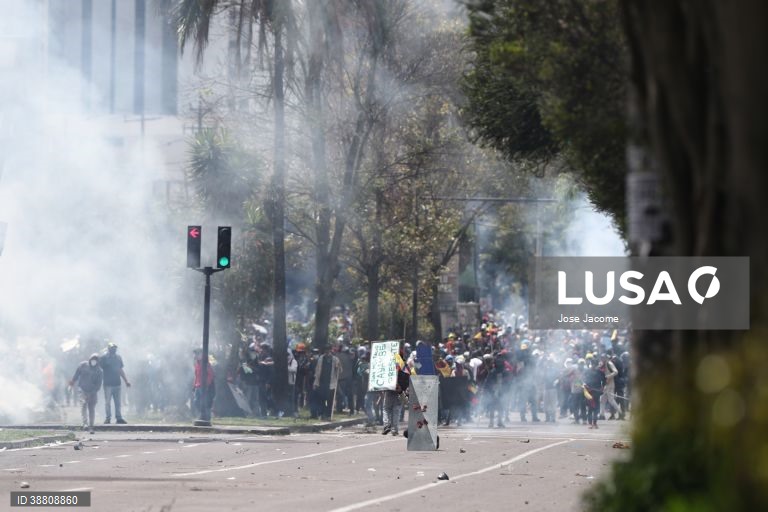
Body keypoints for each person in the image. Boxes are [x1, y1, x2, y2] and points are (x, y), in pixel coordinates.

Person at [70, 353, 103, 433]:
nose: (93, 361)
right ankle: (85, 424)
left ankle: (91, 426)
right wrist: (71, 384)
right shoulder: (82, 365)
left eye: (95, 360)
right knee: (83, 405)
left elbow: (98, 384)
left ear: (98, 361)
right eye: (92, 359)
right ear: (90, 359)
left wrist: (93, 393)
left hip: (93, 392)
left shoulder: (99, 371)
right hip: (82, 390)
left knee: (91, 408)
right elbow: (76, 375)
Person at [100, 342, 131, 424]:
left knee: (118, 402)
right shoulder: (103, 358)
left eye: (115, 348)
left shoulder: (118, 358)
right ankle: (108, 418)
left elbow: (120, 370)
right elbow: (99, 370)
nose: (114, 349)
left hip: (117, 383)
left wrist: (126, 381)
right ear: (109, 349)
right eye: (112, 348)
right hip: (107, 384)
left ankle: (119, 418)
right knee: (107, 402)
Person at [313, 345, 341, 421]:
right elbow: (317, 370)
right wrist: (315, 382)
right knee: (321, 399)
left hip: (331, 383)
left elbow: (339, 371)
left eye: (328, 350)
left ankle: (328, 415)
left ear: (330, 350)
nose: (327, 352)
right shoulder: (321, 358)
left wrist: (338, 367)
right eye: (326, 350)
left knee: (330, 400)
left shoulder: (335, 359)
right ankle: (322, 414)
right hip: (321, 382)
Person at [193, 350, 215, 417]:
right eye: (195, 354)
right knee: (196, 401)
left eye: (197, 354)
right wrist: (194, 385)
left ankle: (207, 417)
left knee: (205, 402)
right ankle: (200, 415)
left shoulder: (206, 363)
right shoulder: (197, 364)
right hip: (198, 386)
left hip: (203, 386)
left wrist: (206, 384)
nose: (195, 356)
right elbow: (196, 376)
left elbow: (211, 374)